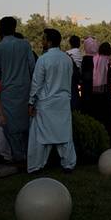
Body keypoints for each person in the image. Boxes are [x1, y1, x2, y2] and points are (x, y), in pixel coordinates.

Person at [27, 28, 76, 173]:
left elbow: (36, 83)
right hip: (63, 102)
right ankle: (68, 164)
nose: (41, 41)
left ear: (48, 42)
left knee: (40, 136)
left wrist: (31, 102)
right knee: (65, 135)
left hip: (46, 102)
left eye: (43, 39)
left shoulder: (43, 59)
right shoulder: (67, 59)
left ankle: (36, 165)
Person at [0, 16, 35, 167]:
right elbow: (32, 66)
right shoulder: (25, 45)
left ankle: (18, 156)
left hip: (7, 92)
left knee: (10, 127)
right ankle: (29, 155)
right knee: (26, 124)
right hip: (25, 90)